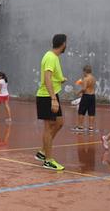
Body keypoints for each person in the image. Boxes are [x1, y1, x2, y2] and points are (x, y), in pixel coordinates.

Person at [35, 34, 67, 171]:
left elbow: (52, 77)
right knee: (48, 127)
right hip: (46, 96)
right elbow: (47, 77)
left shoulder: (54, 57)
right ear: (63, 44)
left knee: (59, 122)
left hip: (52, 94)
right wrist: (53, 98)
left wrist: (60, 79)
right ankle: (48, 160)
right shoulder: (50, 57)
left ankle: (43, 151)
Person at [72, 65, 97, 132]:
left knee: (81, 111)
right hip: (92, 96)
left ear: (85, 71)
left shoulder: (86, 79)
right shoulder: (93, 78)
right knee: (91, 111)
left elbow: (84, 88)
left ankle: (80, 126)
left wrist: (78, 92)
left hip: (86, 96)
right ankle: (91, 127)